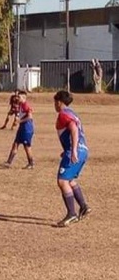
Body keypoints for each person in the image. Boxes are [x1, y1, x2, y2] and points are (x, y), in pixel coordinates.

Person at [53, 90, 92, 227]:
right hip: (83, 150)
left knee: (62, 181)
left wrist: (73, 150)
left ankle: (72, 214)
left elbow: (74, 130)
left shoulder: (63, 114)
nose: (54, 105)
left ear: (59, 102)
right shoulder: (73, 113)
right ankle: (83, 206)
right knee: (70, 180)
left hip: (75, 151)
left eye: (55, 102)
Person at [2, 91, 35, 169]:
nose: (17, 98)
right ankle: (8, 162)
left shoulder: (26, 105)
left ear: (24, 98)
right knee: (15, 144)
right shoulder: (20, 105)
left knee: (27, 146)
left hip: (27, 129)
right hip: (22, 128)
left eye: (19, 97)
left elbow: (30, 117)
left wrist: (19, 121)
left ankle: (31, 163)